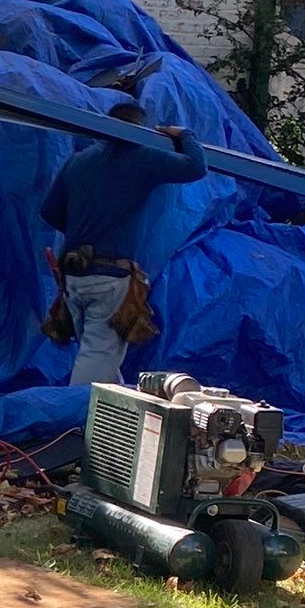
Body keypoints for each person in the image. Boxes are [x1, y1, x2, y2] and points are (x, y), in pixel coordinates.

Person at [41, 97, 207, 389]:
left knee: (99, 357)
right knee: (96, 361)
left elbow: (50, 212)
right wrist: (184, 135)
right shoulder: (141, 157)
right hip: (109, 278)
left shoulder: (80, 161)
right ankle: (73, 423)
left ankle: (108, 423)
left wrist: (86, 229)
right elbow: (196, 167)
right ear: (138, 130)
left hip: (74, 277)